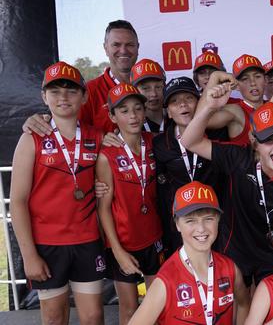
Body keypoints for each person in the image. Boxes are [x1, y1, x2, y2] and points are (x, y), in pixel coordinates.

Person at [181, 74, 273, 287]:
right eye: (268, 140)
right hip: (235, 251)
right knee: (239, 312)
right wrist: (209, 108)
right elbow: (189, 141)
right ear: (254, 142)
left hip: (272, 255)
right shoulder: (239, 158)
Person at [10, 62, 105, 325]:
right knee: (53, 318)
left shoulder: (98, 137)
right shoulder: (31, 138)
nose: (63, 97)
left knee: (94, 316)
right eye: (55, 91)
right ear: (44, 97)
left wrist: (102, 186)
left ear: (84, 96)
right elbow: (17, 202)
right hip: (47, 244)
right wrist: (29, 256)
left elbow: (108, 178)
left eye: (71, 90)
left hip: (87, 240)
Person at [128, 181, 250, 325]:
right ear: (177, 224)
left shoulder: (230, 269)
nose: (201, 229)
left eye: (208, 219)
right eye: (190, 221)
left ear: (218, 219)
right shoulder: (166, 281)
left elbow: (243, 303)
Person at [96, 83, 164, 324]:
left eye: (137, 109)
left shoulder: (156, 143)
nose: (133, 116)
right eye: (124, 111)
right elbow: (103, 209)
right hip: (123, 242)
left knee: (157, 308)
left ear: (145, 112)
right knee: (128, 309)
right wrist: (117, 250)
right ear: (113, 116)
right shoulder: (107, 155)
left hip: (154, 238)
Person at [22, 20, 139, 136]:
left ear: (138, 47)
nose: (123, 50)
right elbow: (65, 129)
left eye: (130, 45)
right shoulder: (89, 91)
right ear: (106, 48)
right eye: (116, 45)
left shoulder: (153, 89)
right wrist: (40, 122)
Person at [152, 76, 218, 258]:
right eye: (174, 101)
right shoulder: (159, 143)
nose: (182, 105)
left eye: (189, 98)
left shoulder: (217, 135)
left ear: (199, 103)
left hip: (214, 223)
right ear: (169, 113)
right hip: (178, 226)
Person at [130, 58, 166, 133]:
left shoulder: (178, 118)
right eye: (145, 88)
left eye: (158, 87)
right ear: (135, 91)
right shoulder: (130, 125)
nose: (154, 94)